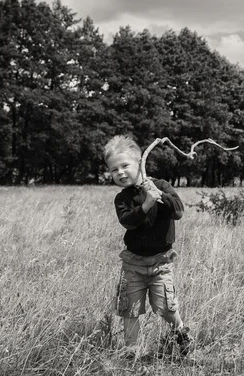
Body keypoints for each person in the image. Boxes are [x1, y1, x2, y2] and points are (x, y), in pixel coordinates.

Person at [104, 134, 193, 358]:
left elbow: (178, 211)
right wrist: (145, 205)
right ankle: (130, 353)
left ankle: (181, 332)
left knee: (165, 306)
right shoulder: (122, 198)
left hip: (161, 263)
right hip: (133, 264)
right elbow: (128, 221)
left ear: (139, 162)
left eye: (125, 165)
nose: (120, 172)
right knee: (130, 308)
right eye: (114, 170)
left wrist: (158, 194)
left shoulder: (161, 186)